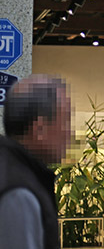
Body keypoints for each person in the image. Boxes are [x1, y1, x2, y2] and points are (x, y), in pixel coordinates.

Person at [0, 75, 72, 249]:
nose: (70, 133)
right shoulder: (19, 194)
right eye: (65, 121)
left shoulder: (10, 170)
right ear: (39, 129)